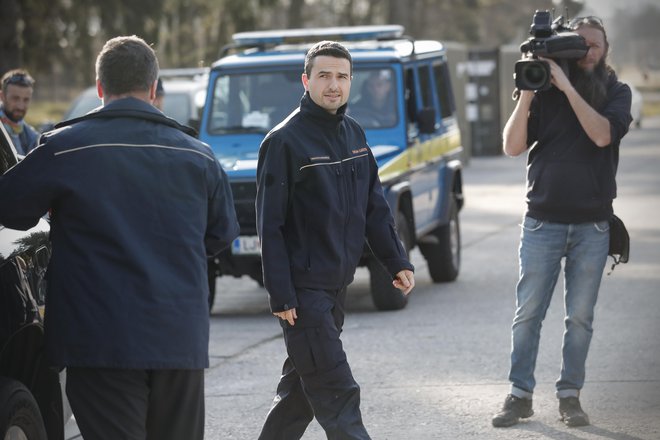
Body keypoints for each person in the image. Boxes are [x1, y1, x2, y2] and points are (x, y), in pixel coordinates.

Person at [0, 35, 239, 440]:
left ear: (99, 88)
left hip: (98, 341)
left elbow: (9, 210)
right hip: (178, 339)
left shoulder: (63, 149)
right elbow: (220, 235)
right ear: (152, 88)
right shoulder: (199, 155)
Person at [256, 40, 415, 439]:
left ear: (350, 82)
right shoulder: (284, 141)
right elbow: (269, 225)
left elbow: (374, 206)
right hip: (303, 294)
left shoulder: (354, 133)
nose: (333, 85)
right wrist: (281, 294)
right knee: (337, 392)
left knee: (300, 395)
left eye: (342, 76)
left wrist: (396, 261)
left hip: (335, 287)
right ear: (306, 80)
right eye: (324, 75)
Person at [492, 17, 632, 428]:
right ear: (566, 47)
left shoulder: (616, 91)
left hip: (592, 225)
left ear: (606, 48)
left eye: (595, 44)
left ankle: (569, 395)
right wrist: (528, 95)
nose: (588, 51)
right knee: (527, 314)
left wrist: (568, 88)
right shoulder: (542, 93)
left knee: (580, 317)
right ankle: (519, 395)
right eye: (580, 44)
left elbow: (603, 135)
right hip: (541, 223)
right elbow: (512, 146)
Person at [0, 68, 39, 155]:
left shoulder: (32, 137)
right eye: (15, 98)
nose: (20, 106)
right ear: (2, 96)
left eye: (26, 100)